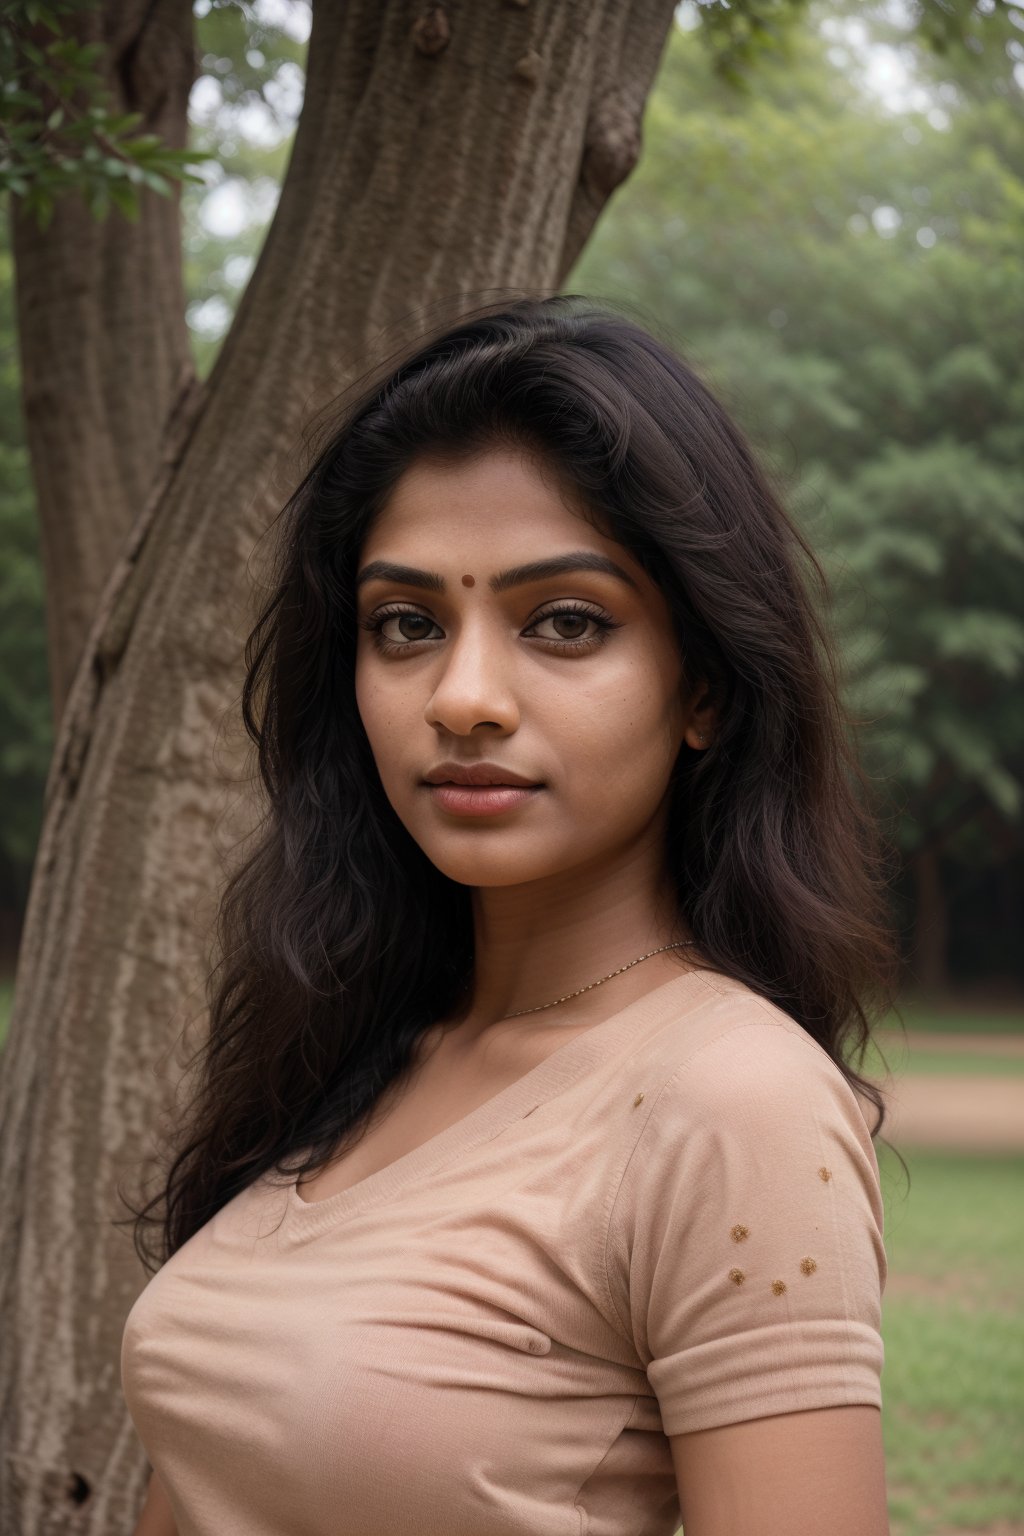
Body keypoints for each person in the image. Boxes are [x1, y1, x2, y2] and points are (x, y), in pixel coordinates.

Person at [120, 294, 900, 1536]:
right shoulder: (350, 1047)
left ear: (702, 685)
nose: (465, 696)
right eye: (408, 625)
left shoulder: (729, 1100)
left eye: (566, 623)